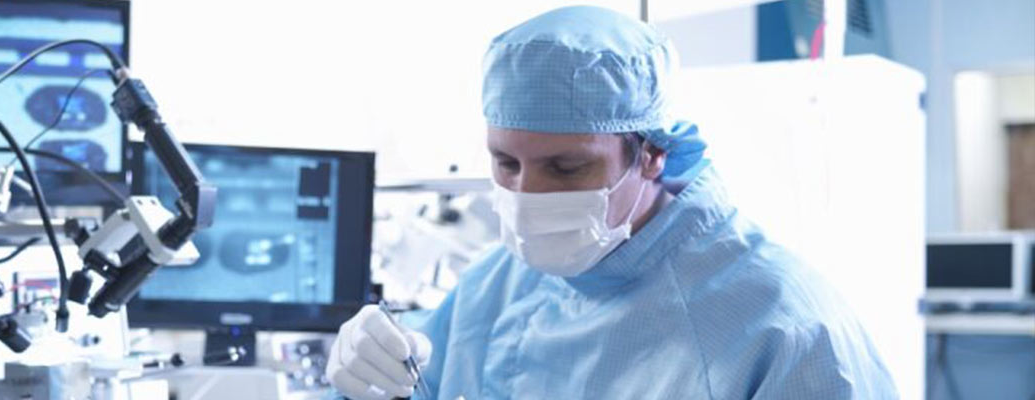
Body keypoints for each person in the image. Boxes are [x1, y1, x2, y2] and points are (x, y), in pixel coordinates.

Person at [325, 6, 896, 399]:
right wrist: (367, 377)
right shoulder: (497, 284)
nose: (527, 197)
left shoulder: (783, 328)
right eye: (506, 163)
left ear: (651, 155)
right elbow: (417, 373)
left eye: (566, 167)